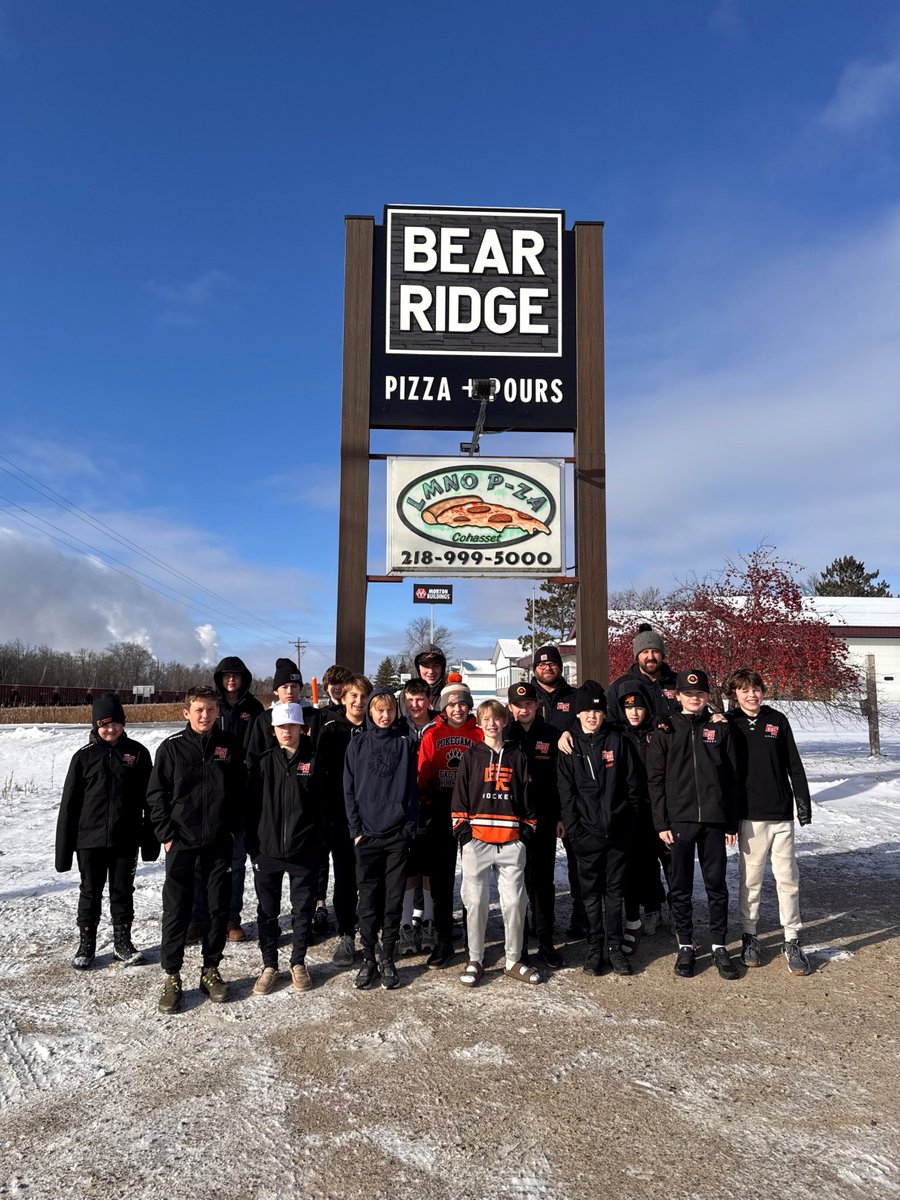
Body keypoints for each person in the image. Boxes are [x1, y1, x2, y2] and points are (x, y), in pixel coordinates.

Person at [148, 685, 247, 1014]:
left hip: (218, 842)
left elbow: (239, 791)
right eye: (199, 710)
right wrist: (166, 834)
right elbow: (156, 795)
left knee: (218, 909)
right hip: (182, 843)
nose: (205, 716)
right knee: (176, 910)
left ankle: (210, 969)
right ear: (186, 713)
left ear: (218, 711)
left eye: (210, 709)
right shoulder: (171, 749)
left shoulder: (230, 746)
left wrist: (232, 829)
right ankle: (172, 975)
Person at [647, 669, 740, 981]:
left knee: (716, 885)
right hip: (680, 820)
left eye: (700, 693)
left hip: (714, 819)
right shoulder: (666, 729)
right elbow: (655, 780)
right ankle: (685, 944)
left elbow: (731, 776)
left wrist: (730, 822)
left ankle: (718, 945)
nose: (694, 698)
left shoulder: (719, 728)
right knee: (681, 885)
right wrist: (661, 821)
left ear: (706, 696)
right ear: (678, 695)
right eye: (688, 694)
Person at [55, 692, 157, 969]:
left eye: (115, 723)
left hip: (126, 838)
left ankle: (122, 942)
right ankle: (86, 944)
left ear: (123, 723)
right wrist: (63, 853)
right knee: (90, 890)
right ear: (95, 726)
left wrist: (150, 842)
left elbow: (151, 799)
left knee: (123, 891)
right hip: (89, 840)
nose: (110, 729)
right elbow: (69, 806)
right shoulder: (83, 758)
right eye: (104, 724)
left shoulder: (137, 754)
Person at [725, 668, 814, 976]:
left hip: (779, 814)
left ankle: (791, 937)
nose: (752, 694)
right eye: (745, 690)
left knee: (788, 878)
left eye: (757, 689)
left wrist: (802, 802)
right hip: (748, 816)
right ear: (734, 694)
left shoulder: (777, 720)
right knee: (751, 880)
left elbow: (794, 764)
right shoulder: (729, 723)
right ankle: (750, 935)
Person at [452, 699, 539, 986]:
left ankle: (514, 960)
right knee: (475, 901)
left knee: (514, 902)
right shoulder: (471, 755)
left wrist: (525, 832)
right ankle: (475, 958)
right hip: (477, 840)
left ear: (504, 721)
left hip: (510, 841)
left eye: (497, 718)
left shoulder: (517, 755)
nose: (492, 723)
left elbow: (527, 796)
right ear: (479, 722)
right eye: (486, 719)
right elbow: (460, 796)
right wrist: (464, 832)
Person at [557, 683, 642, 976]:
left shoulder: (618, 742)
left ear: (604, 713)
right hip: (586, 836)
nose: (592, 716)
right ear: (578, 714)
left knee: (614, 894)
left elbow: (633, 788)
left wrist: (626, 825)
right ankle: (595, 947)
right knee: (591, 895)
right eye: (587, 711)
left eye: (597, 710)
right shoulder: (569, 747)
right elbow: (565, 796)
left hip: (617, 835)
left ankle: (614, 948)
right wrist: (575, 831)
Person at [246, 701, 324, 995]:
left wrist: (316, 843)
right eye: (281, 727)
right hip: (266, 851)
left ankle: (298, 962)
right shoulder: (262, 763)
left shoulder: (314, 762)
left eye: (292, 726)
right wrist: (254, 846)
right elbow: (250, 809)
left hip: (303, 851)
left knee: (302, 910)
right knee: (267, 911)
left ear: (302, 729)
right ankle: (269, 965)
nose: (287, 732)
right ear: (273, 730)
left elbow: (322, 808)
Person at [344, 689, 418, 989]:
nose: (384, 715)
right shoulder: (357, 744)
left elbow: (412, 790)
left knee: (393, 899)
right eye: (378, 710)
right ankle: (368, 958)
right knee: (368, 900)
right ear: (371, 713)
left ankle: (387, 956)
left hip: (397, 835)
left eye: (389, 710)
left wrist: (408, 827)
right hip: (367, 836)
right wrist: (356, 831)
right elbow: (348, 790)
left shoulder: (405, 745)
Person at [417, 675, 483, 968]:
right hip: (441, 810)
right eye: (452, 703)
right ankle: (444, 939)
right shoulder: (432, 734)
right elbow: (423, 772)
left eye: (463, 703)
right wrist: (426, 805)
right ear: (444, 707)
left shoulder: (480, 734)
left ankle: (474, 938)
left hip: (474, 813)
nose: (457, 708)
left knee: (473, 879)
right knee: (442, 880)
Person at [505, 681, 564, 967]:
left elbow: (560, 779)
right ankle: (518, 942)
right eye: (518, 705)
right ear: (510, 708)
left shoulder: (551, 734)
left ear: (536, 705)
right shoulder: (505, 735)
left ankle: (545, 940)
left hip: (544, 819)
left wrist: (560, 817)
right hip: (511, 821)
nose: (524, 709)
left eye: (528, 704)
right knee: (516, 882)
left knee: (542, 882)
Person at [316, 673, 372, 967]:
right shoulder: (331, 730)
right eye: (354, 696)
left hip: (373, 817)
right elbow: (321, 775)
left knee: (372, 877)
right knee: (346, 877)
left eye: (364, 697)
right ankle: (346, 934)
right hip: (341, 818)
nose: (359, 702)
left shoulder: (377, 728)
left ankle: (371, 932)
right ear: (345, 698)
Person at [530, 644, 585, 937]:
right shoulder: (524, 698)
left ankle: (581, 914)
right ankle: (537, 918)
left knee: (576, 854)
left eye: (552, 663)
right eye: (541, 664)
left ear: (560, 666)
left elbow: (593, 727)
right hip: (535, 790)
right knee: (535, 861)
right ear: (534, 669)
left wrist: (570, 733)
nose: (547, 667)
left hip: (571, 790)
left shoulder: (575, 698)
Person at [615, 681, 672, 948]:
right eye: (629, 708)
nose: (634, 713)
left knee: (663, 861)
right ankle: (642, 909)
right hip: (630, 808)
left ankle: (664, 910)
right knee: (637, 863)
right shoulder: (618, 734)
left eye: (638, 707)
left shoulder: (659, 732)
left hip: (658, 806)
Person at [213, 655, 264, 943]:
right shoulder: (213, 706)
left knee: (236, 861)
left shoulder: (253, 708)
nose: (231, 680)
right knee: (204, 862)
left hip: (242, 792)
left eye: (236, 675)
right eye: (226, 676)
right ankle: (200, 917)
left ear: (244, 678)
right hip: (213, 791)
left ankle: (232, 918)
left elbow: (259, 747)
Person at [396, 677, 437, 955]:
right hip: (404, 804)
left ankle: (430, 919)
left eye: (420, 699)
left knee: (429, 866)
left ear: (429, 700)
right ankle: (405, 923)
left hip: (435, 804)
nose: (415, 705)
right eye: (410, 700)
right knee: (407, 866)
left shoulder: (440, 725)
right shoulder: (398, 727)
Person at [607, 624, 679, 719]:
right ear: (637, 656)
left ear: (662, 655)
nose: (650, 657)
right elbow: (612, 723)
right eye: (645, 652)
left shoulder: (678, 682)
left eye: (655, 651)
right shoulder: (620, 687)